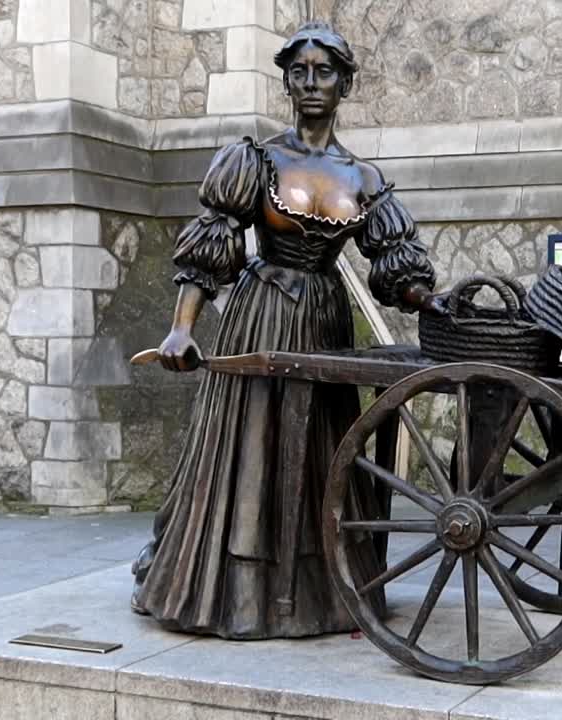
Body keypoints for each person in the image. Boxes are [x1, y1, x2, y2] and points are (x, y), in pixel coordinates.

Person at [129, 21, 439, 639]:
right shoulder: (256, 159)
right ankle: (236, 596)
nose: (311, 83)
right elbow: (210, 248)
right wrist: (181, 329)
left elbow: (394, 265)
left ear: (345, 84)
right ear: (288, 83)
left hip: (323, 321)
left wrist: (430, 300)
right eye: (300, 72)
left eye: (324, 72)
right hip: (261, 317)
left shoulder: (363, 178)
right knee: (248, 448)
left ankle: (320, 595)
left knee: (322, 452)